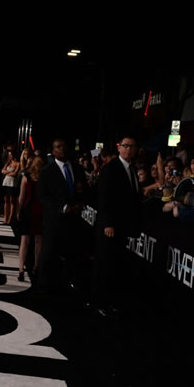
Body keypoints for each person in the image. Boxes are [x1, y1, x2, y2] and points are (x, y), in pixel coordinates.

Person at [91, 135, 142, 318]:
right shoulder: (111, 168)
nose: (128, 149)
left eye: (132, 146)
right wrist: (108, 223)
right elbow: (104, 197)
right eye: (125, 146)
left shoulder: (131, 169)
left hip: (122, 227)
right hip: (109, 228)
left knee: (115, 265)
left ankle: (110, 301)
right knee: (104, 265)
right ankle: (99, 302)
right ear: (119, 148)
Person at [37, 138, 86, 292]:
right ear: (53, 151)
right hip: (54, 220)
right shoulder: (47, 171)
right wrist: (62, 207)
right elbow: (43, 196)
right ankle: (44, 284)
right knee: (49, 252)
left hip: (73, 220)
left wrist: (80, 203)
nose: (62, 149)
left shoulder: (78, 169)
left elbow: (83, 190)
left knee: (71, 252)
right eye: (58, 147)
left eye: (64, 146)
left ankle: (68, 281)